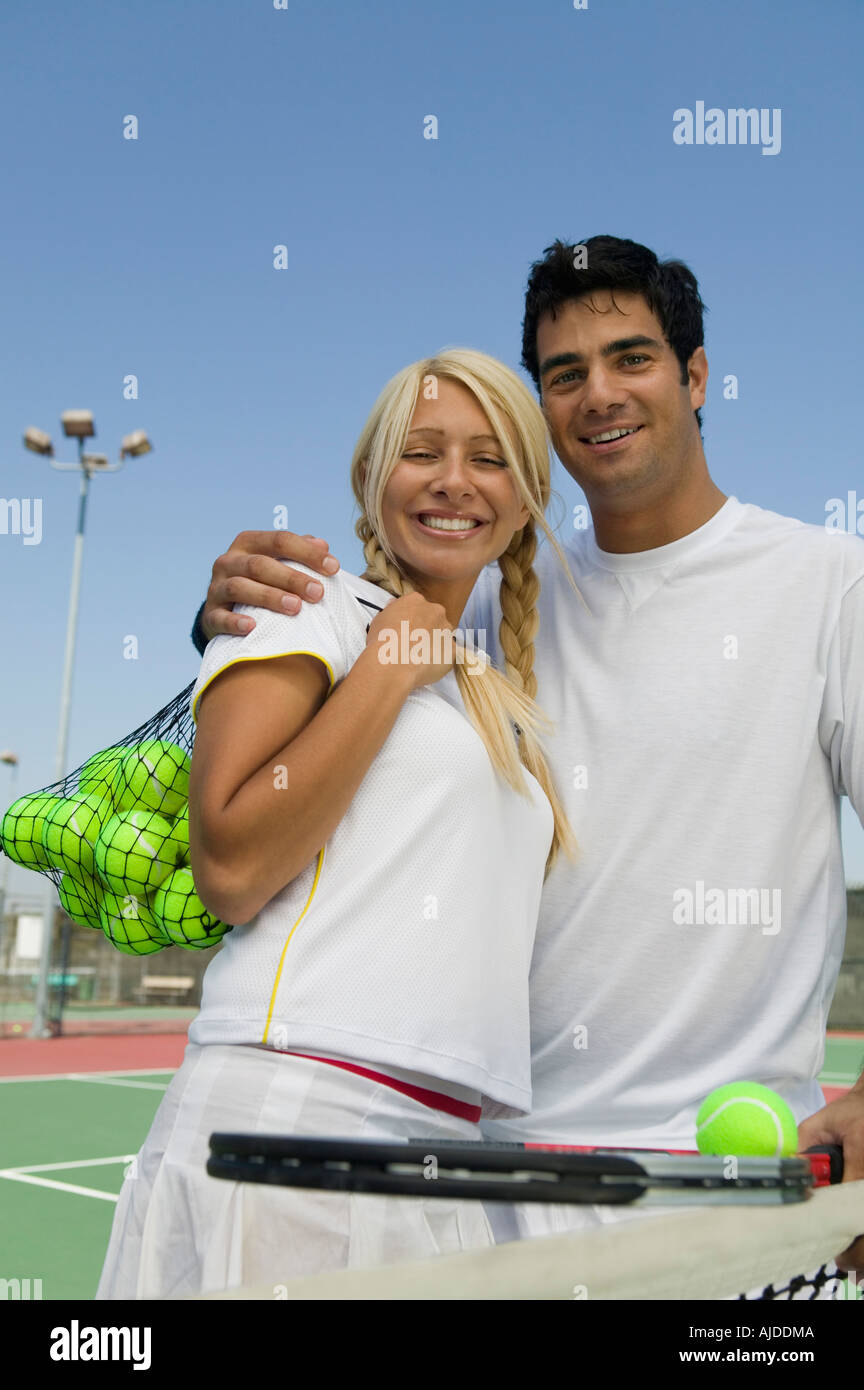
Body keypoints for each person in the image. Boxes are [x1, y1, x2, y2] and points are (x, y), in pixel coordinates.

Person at [192, 235, 864, 1278]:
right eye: (564, 374)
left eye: (632, 358)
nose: (599, 393)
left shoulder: (829, 584)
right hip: (488, 1194)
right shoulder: (492, 601)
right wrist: (234, 623)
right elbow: (332, 707)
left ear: (694, 376)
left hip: (732, 1197)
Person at [95, 348, 577, 1299]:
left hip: (447, 1143)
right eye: (422, 450)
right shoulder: (303, 609)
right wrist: (388, 667)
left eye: (489, 460)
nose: (453, 481)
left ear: (524, 501)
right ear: (369, 479)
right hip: (299, 1121)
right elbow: (232, 864)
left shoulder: (490, 685)